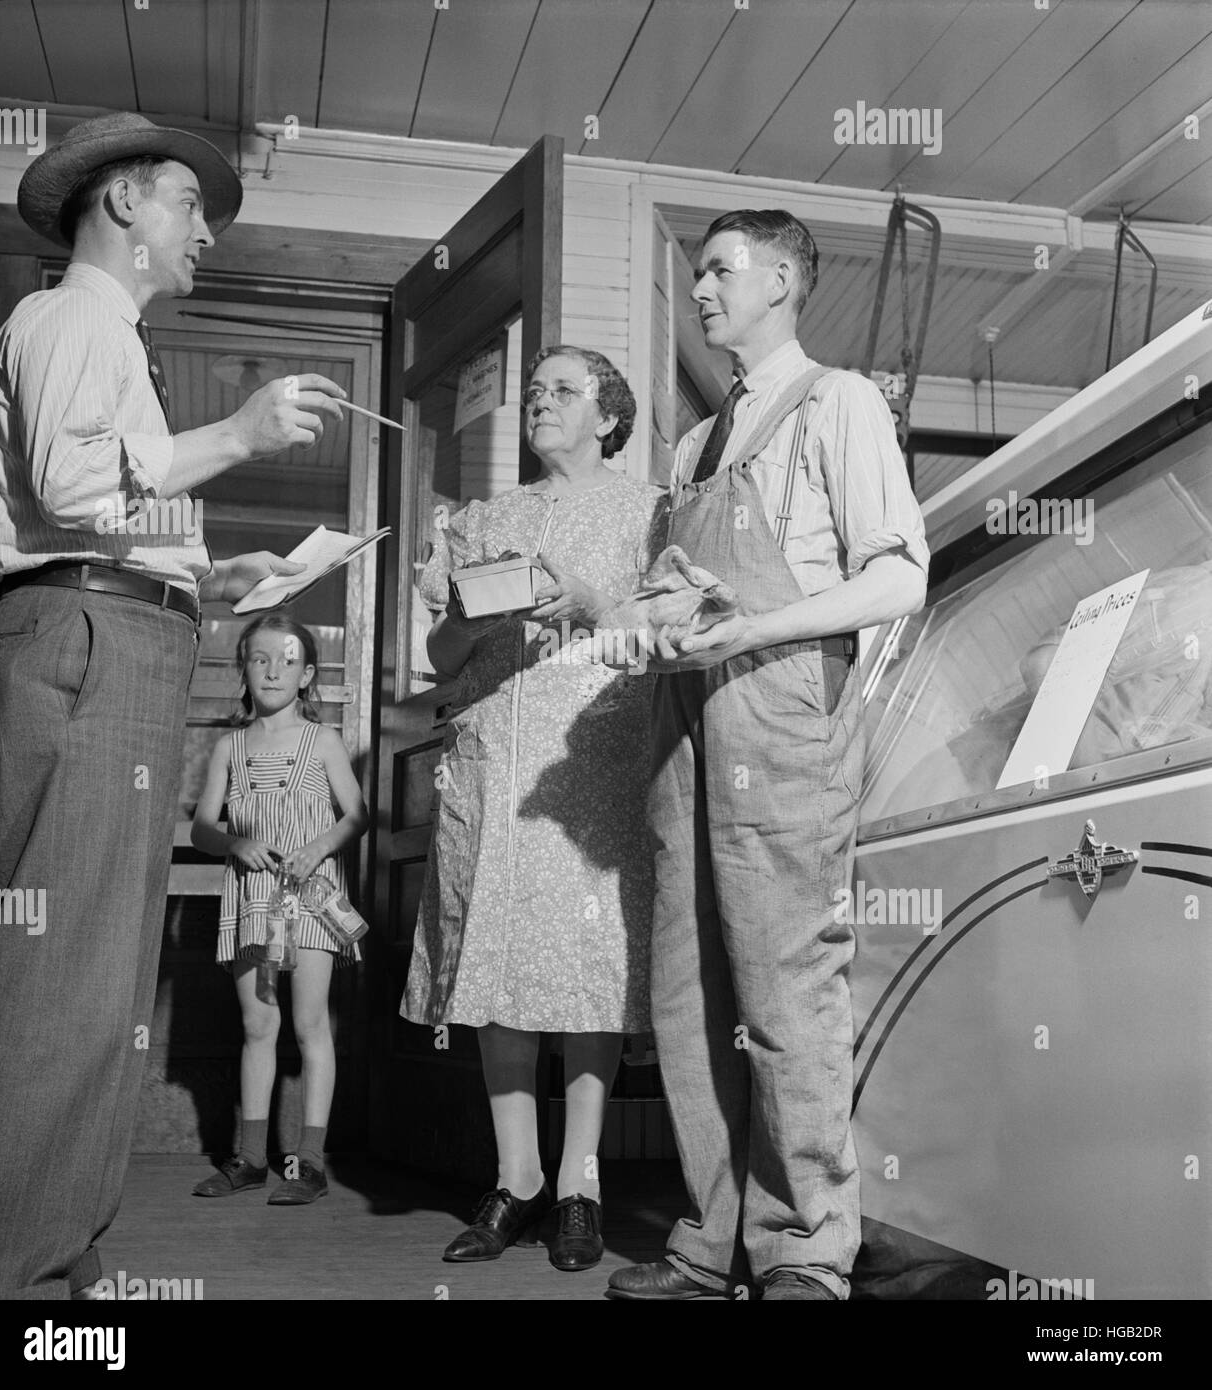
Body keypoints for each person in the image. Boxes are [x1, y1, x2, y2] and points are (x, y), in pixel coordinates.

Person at [0, 111, 347, 1299]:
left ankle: (55, 1243)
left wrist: (213, 578)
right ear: (126, 204)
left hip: (118, 633)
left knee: (95, 973)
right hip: (88, 643)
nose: (206, 237)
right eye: (192, 207)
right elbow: (77, 485)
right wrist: (238, 433)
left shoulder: (107, 337)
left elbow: (103, 509)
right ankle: (16, 1268)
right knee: (64, 972)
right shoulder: (72, 314)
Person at [607, 210, 930, 1301]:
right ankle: (711, 1238)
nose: (699, 290)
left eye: (718, 270)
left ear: (782, 280)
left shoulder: (837, 403)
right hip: (684, 718)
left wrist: (746, 628)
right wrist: (648, 616)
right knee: (688, 985)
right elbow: (676, 583)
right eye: (694, 272)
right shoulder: (697, 443)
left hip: (780, 705)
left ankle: (801, 1246)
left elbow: (897, 579)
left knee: (786, 983)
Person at [401, 346, 664, 1273]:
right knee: (497, 965)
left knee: (586, 972)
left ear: (609, 415)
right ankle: (515, 1182)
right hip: (489, 756)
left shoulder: (649, 511)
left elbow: (669, 628)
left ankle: (580, 1185)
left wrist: (591, 600)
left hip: (589, 762)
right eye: (536, 391)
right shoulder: (485, 518)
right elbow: (441, 653)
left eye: (564, 391)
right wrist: (476, 615)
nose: (542, 403)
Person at [190, 614, 368, 1206]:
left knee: (310, 1025)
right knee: (257, 1026)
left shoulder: (324, 741)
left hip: (313, 900)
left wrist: (317, 849)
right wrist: (235, 843)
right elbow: (201, 828)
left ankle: (310, 1164)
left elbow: (356, 814)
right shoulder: (229, 747)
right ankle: (249, 1158)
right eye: (260, 658)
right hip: (252, 900)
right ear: (243, 667)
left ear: (308, 674)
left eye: (287, 660)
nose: (272, 670)